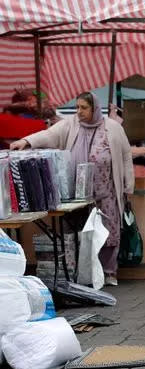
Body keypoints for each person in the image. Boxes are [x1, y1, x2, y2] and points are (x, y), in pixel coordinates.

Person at [10, 92, 134, 286]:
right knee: (78, 232)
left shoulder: (113, 128)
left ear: (94, 108)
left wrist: (128, 185)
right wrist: (26, 142)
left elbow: (126, 155)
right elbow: (49, 135)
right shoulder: (70, 124)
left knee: (108, 232)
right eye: (77, 107)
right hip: (78, 194)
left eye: (83, 108)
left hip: (106, 191)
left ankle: (109, 273)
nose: (79, 112)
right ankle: (81, 273)